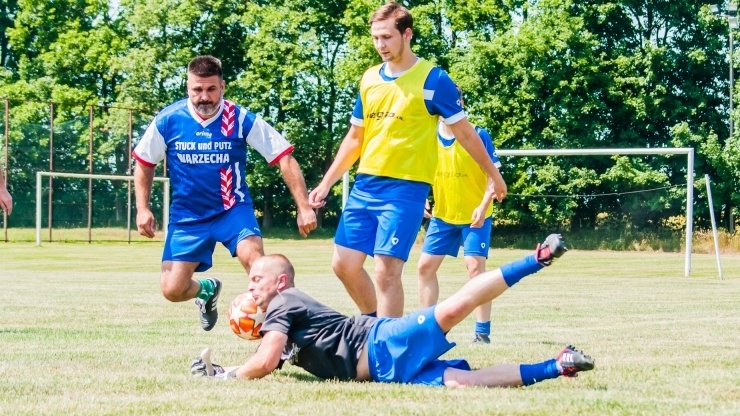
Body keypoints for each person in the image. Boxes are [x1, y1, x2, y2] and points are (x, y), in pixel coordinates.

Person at [308, 1, 507, 318]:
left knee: (387, 271)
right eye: (375, 38)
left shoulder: (433, 80)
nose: (379, 45)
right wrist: (326, 182)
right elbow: (355, 138)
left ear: (407, 34)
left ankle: (388, 352)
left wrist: (494, 177)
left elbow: (467, 135)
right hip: (365, 185)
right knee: (343, 264)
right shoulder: (369, 79)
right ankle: (375, 325)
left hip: (406, 189)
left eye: (386, 37)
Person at [191, 234, 596, 388]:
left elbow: (263, 362)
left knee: (453, 307)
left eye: (257, 280)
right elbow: (271, 357)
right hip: (384, 371)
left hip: (380, 343)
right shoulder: (280, 316)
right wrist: (224, 365)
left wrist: (225, 376)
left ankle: (537, 258)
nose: (250, 286)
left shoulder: (284, 301)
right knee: (463, 383)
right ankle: (558, 365)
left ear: (280, 282)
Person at [133, 55, 317, 332]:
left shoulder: (241, 118)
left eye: (211, 89)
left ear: (223, 86)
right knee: (172, 290)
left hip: (233, 209)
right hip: (188, 217)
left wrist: (303, 206)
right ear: (187, 87)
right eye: (197, 89)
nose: (204, 97)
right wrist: (143, 208)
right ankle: (207, 290)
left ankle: (285, 338)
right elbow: (145, 162)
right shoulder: (169, 120)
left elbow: (283, 156)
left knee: (260, 266)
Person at [418, 88, 501, 344]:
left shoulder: (477, 134)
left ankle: (482, 333)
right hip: (443, 216)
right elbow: (419, 171)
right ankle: (427, 329)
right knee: (424, 268)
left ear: (459, 103)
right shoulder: (428, 137)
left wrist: (483, 203)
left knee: (475, 269)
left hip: (476, 214)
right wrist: (421, 197)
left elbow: (493, 177)